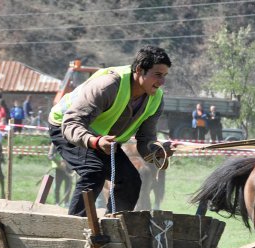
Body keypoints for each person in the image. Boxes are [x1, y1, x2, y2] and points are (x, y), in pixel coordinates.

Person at [48, 45, 174, 216]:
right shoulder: (107, 86)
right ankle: (75, 229)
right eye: (157, 75)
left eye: (165, 76)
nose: (162, 82)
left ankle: (113, 226)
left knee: (131, 181)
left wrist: (157, 151)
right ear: (139, 70)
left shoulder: (156, 99)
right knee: (94, 172)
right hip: (67, 127)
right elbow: (72, 123)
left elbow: (145, 140)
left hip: (103, 141)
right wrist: (95, 141)